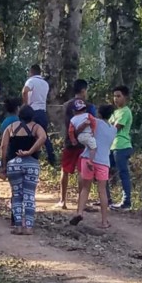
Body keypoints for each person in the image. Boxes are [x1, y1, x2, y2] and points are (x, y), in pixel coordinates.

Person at [0, 105, 46, 235]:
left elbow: (3, 146)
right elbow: (43, 138)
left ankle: (18, 226)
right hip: (32, 164)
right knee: (29, 196)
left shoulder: (11, 128)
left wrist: (4, 165)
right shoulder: (36, 127)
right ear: (32, 116)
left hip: (14, 165)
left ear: (19, 115)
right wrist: (30, 151)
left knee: (16, 196)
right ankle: (29, 227)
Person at [69, 105, 116, 229]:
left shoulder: (95, 122)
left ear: (98, 114)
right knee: (102, 191)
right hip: (104, 161)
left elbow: (82, 129)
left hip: (88, 158)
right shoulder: (114, 129)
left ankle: (79, 212)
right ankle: (104, 221)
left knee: (85, 188)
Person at [59, 79, 96, 209]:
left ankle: (63, 200)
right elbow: (93, 123)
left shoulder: (66, 105)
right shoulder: (89, 106)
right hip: (84, 143)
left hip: (69, 141)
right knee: (82, 171)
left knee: (65, 169)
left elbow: (65, 122)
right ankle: (81, 201)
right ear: (83, 90)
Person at [22, 64, 55, 165]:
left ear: (31, 72)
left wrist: (25, 105)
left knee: (27, 134)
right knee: (43, 136)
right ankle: (51, 158)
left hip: (32, 111)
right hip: (42, 111)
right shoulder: (45, 83)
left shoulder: (31, 81)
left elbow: (25, 91)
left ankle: (28, 156)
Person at [107, 85, 134, 210]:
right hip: (112, 146)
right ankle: (105, 198)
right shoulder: (115, 112)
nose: (116, 99)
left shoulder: (125, 111)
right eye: (114, 96)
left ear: (125, 97)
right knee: (103, 171)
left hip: (122, 146)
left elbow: (114, 128)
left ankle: (126, 201)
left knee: (123, 173)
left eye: (119, 96)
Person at [68, 99, 97, 166]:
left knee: (87, 146)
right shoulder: (88, 115)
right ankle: (90, 161)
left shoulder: (72, 119)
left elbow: (70, 131)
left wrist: (73, 140)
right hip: (87, 135)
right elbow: (93, 122)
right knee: (94, 148)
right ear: (84, 109)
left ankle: (82, 156)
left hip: (80, 137)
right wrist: (93, 130)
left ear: (74, 111)